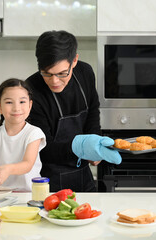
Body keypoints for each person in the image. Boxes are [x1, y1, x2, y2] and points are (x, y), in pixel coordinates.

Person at [26, 30, 121, 192]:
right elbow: (42, 148)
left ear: (74, 60)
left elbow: (92, 111)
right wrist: (81, 148)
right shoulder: (31, 91)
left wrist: (94, 144)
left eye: (62, 73)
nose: (54, 81)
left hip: (83, 173)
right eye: (46, 73)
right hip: (49, 182)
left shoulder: (85, 72)